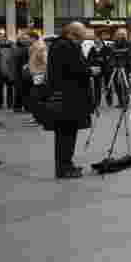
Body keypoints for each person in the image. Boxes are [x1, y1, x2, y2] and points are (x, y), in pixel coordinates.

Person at [45, 22, 94, 178]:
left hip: (68, 96)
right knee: (66, 133)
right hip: (68, 97)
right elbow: (74, 69)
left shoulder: (62, 45)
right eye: (82, 34)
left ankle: (67, 164)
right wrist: (90, 70)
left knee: (68, 133)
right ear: (73, 33)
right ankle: (64, 167)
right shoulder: (65, 46)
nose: (83, 38)